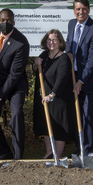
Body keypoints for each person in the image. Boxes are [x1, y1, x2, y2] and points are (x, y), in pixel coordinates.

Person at [0, 9, 30, 160]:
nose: (5, 23)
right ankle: (4, 152)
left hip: (15, 85)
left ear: (13, 22)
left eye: (8, 21)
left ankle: (18, 156)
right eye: (2, 20)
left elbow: (14, 74)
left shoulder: (21, 42)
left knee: (16, 115)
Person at [65, 0, 93, 156]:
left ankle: (87, 150)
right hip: (73, 76)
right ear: (74, 10)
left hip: (89, 81)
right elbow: (69, 41)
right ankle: (79, 146)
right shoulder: (71, 24)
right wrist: (68, 52)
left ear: (89, 9)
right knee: (76, 112)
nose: (80, 12)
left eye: (83, 9)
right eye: (77, 9)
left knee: (87, 114)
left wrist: (81, 81)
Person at [33, 30, 76, 159]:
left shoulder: (64, 58)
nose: (51, 42)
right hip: (44, 99)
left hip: (58, 99)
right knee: (46, 126)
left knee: (58, 129)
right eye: (49, 40)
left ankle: (57, 155)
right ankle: (48, 153)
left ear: (60, 42)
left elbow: (61, 80)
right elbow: (35, 70)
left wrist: (51, 95)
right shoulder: (44, 55)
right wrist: (35, 64)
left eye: (54, 40)